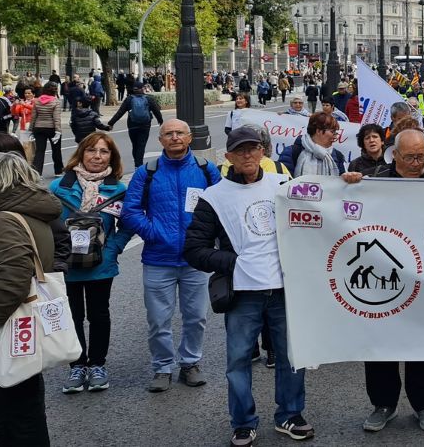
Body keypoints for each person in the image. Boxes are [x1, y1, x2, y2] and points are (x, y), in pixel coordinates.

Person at [184, 127, 314, 446]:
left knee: (290, 357)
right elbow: (194, 249)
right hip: (243, 294)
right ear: (228, 157)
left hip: (284, 289)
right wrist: (233, 263)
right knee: (238, 360)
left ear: (263, 153)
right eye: (240, 150)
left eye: (253, 149)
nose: (247, 155)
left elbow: (319, 210)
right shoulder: (213, 197)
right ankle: (243, 422)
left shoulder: (282, 184)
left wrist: (351, 183)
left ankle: (290, 415)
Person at [121, 119, 221, 393]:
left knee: (196, 317)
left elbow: (223, 205)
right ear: (160, 140)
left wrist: (207, 239)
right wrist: (154, 233)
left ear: (190, 138)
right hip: (158, 258)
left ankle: (190, 363)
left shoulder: (206, 169)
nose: (175, 138)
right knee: (158, 319)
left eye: (180, 133)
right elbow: (130, 211)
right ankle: (162, 367)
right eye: (169, 134)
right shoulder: (147, 172)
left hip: (196, 260)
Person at [360, 129, 424, 433]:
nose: (417, 162)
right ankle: (383, 404)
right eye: (410, 156)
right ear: (395, 155)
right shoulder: (375, 179)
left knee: (422, 345)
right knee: (381, 344)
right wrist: (348, 186)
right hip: (384, 278)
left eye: (422, 156)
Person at [0, 153, 63, 446]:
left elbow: (10, 286)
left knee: (10, 422)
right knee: (23, 416)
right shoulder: (28, 213)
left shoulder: (3, 220)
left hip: (2, 338)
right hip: (19, 333)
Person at [51, 132, 131, 393]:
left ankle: (97, 364)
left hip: (101, 264)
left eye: (104, 151)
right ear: (81, 153)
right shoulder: (58, 187)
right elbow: (45, 223)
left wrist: (113, 249)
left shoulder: (117, 189)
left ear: (112, 156)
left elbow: (128, 225)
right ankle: (77, 365)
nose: (97, 156)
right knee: (72, 315)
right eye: (91, 150)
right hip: (66, 263)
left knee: (99, 314)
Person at [107, 85, 165, 167]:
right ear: (142, 89)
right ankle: (138, 165)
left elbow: (120, 112)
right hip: (145, 126)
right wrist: (160, 121)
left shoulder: (129, 99)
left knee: (135, 145)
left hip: (132, 125)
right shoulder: (149, 98)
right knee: (141, 145)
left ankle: (137, 164)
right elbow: (156, 111)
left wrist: (111, 123)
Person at [278, 112, 349, 177]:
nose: (335, 136)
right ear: (318, 131)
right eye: (332, 131)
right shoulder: (292, 152)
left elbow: (341, 185)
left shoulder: (337, 155)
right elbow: (283, 182)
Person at [29, 82, 64, 176]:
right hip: (52, 128)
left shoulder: (37, 101)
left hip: (38, 127)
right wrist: (58, 131)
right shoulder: (56, 101)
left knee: (39, 151)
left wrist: (31, 130)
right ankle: (58, 170)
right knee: (56, 150)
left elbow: (33, 117)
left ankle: (37, 172)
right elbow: (56, 118)